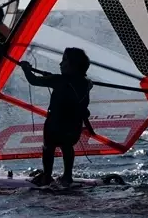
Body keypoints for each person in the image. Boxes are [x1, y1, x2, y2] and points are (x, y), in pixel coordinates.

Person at [17, 48, 95, 187]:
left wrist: (26, 69)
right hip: (74, 127)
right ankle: (67, 176)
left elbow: (33, 80)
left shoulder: (57, 80)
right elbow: (82, 85)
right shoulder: (86, 83)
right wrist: (50, 77)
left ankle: (47, 176)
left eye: (64, 60)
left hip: (55, 126)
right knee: (67, 147)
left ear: (73, 65)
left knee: (48, 147)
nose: (60, 63)